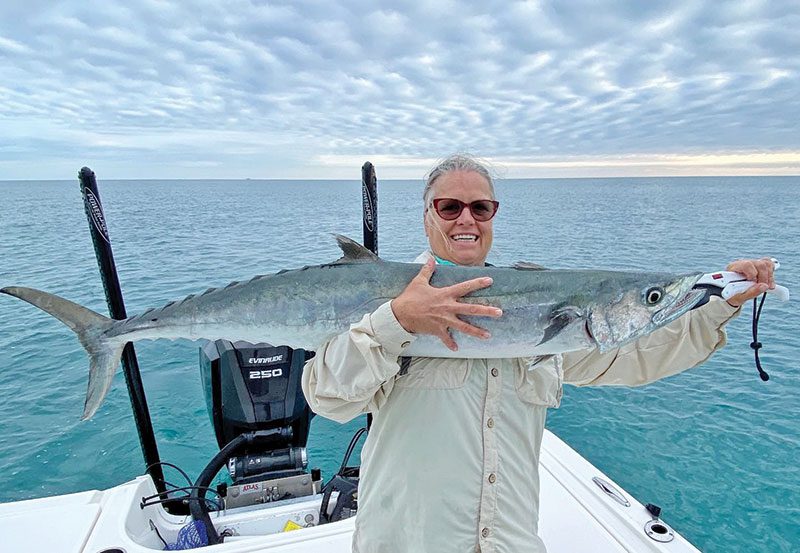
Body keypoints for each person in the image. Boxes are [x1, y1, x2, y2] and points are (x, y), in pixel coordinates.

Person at [301, 154, 775, 553]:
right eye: (449, 207)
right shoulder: (386, 305)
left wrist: (719, 305)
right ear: (427, 216)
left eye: (480, 207)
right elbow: (326, 397)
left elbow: (634, 357)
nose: (466, 219)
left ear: (492, 216)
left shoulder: (546, 321)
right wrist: (398, 321)